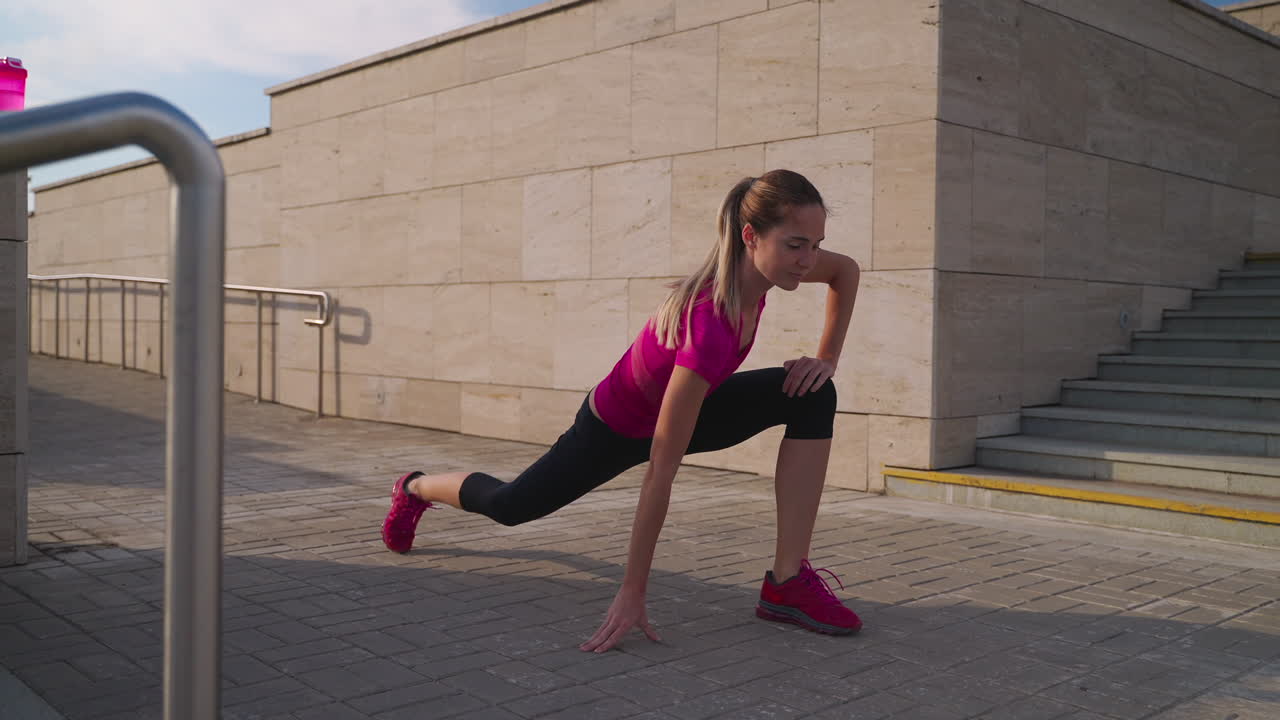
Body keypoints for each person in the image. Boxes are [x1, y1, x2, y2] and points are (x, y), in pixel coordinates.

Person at [382, 169, 863, 651]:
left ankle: (786, 582)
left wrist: (825, 359)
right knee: (510, 506)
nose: (809, 260)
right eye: (796, 245)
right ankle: (415, 486)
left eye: (816, 245)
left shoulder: (775, 269)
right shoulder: (708, 326)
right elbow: (660, 472)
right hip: (612, 430)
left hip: (692, 407)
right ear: (750, 237)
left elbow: (847, 271)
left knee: (814, 392)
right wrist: (633, 592)